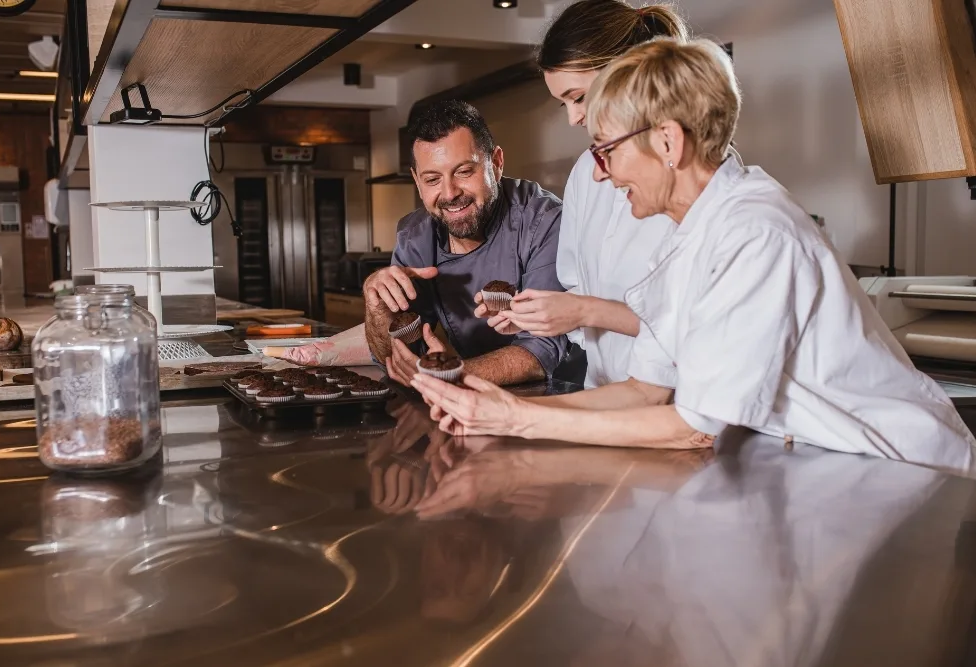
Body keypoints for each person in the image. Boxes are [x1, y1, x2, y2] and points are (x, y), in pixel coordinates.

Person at [413, 38, 976, 475]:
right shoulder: (690, 233)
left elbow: (695, 428)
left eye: (607, 152)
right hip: (835, 461)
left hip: (909, 470)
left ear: (667, 142)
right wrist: (491, 408)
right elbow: (645, 390)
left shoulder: (753, 233)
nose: (603, 176)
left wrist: (519, 421)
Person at [478, 1, 687, 388]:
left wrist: (580, 310)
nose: (574, 118)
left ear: (627, 74)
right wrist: (543, 315)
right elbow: (577, 288)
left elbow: (691, 324)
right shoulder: (583, 176)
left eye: (578, 97)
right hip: (605, 395)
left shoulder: (694, 178)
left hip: (682, 404)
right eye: (564, 104)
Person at [364, 100, 568, 387]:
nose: (449, 193)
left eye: (464, 171)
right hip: (473, 398)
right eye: (432, 179)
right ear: (417, 181)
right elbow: (394, 358)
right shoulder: (416, 237)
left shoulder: (543, 222)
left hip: (563, 397)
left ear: (495, 164)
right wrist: (377, 310)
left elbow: (543, 350)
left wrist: (451, 374)